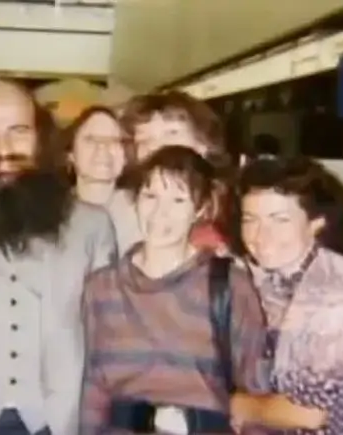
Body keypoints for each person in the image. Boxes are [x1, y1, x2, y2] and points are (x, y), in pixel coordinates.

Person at [0, 79, 116, 435]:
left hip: (59, 421)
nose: (3, 149)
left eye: (18, 131)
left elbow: (110, 342)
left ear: (40, 137)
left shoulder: (93, 227)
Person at [80, 146, 268, 435]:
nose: (160, 213)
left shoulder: (228, 284)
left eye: (178, 200)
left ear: (200, 209)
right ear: (136, 200)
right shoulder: (102, 287)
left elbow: (256, 389)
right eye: (150, 196)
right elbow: (94, 387)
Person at [229, 157, 343, 434]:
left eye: (280, 220)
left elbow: (308, 413)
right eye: (250, 220)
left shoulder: (342, 294)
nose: (261, 234)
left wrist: (234, 405)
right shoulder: (259, 277)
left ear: (316, 223)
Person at [110, 91, 229, 255]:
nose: (157, 147)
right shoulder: (119, 210)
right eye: (145, 140)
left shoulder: (234, 207)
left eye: (171, 133)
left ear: (204, 144)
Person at [64, 106, 126, 207]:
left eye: (113, 140)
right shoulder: (51, 208)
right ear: (71, 154)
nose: (102, 148)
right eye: (91, 140)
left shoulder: (144, 209)